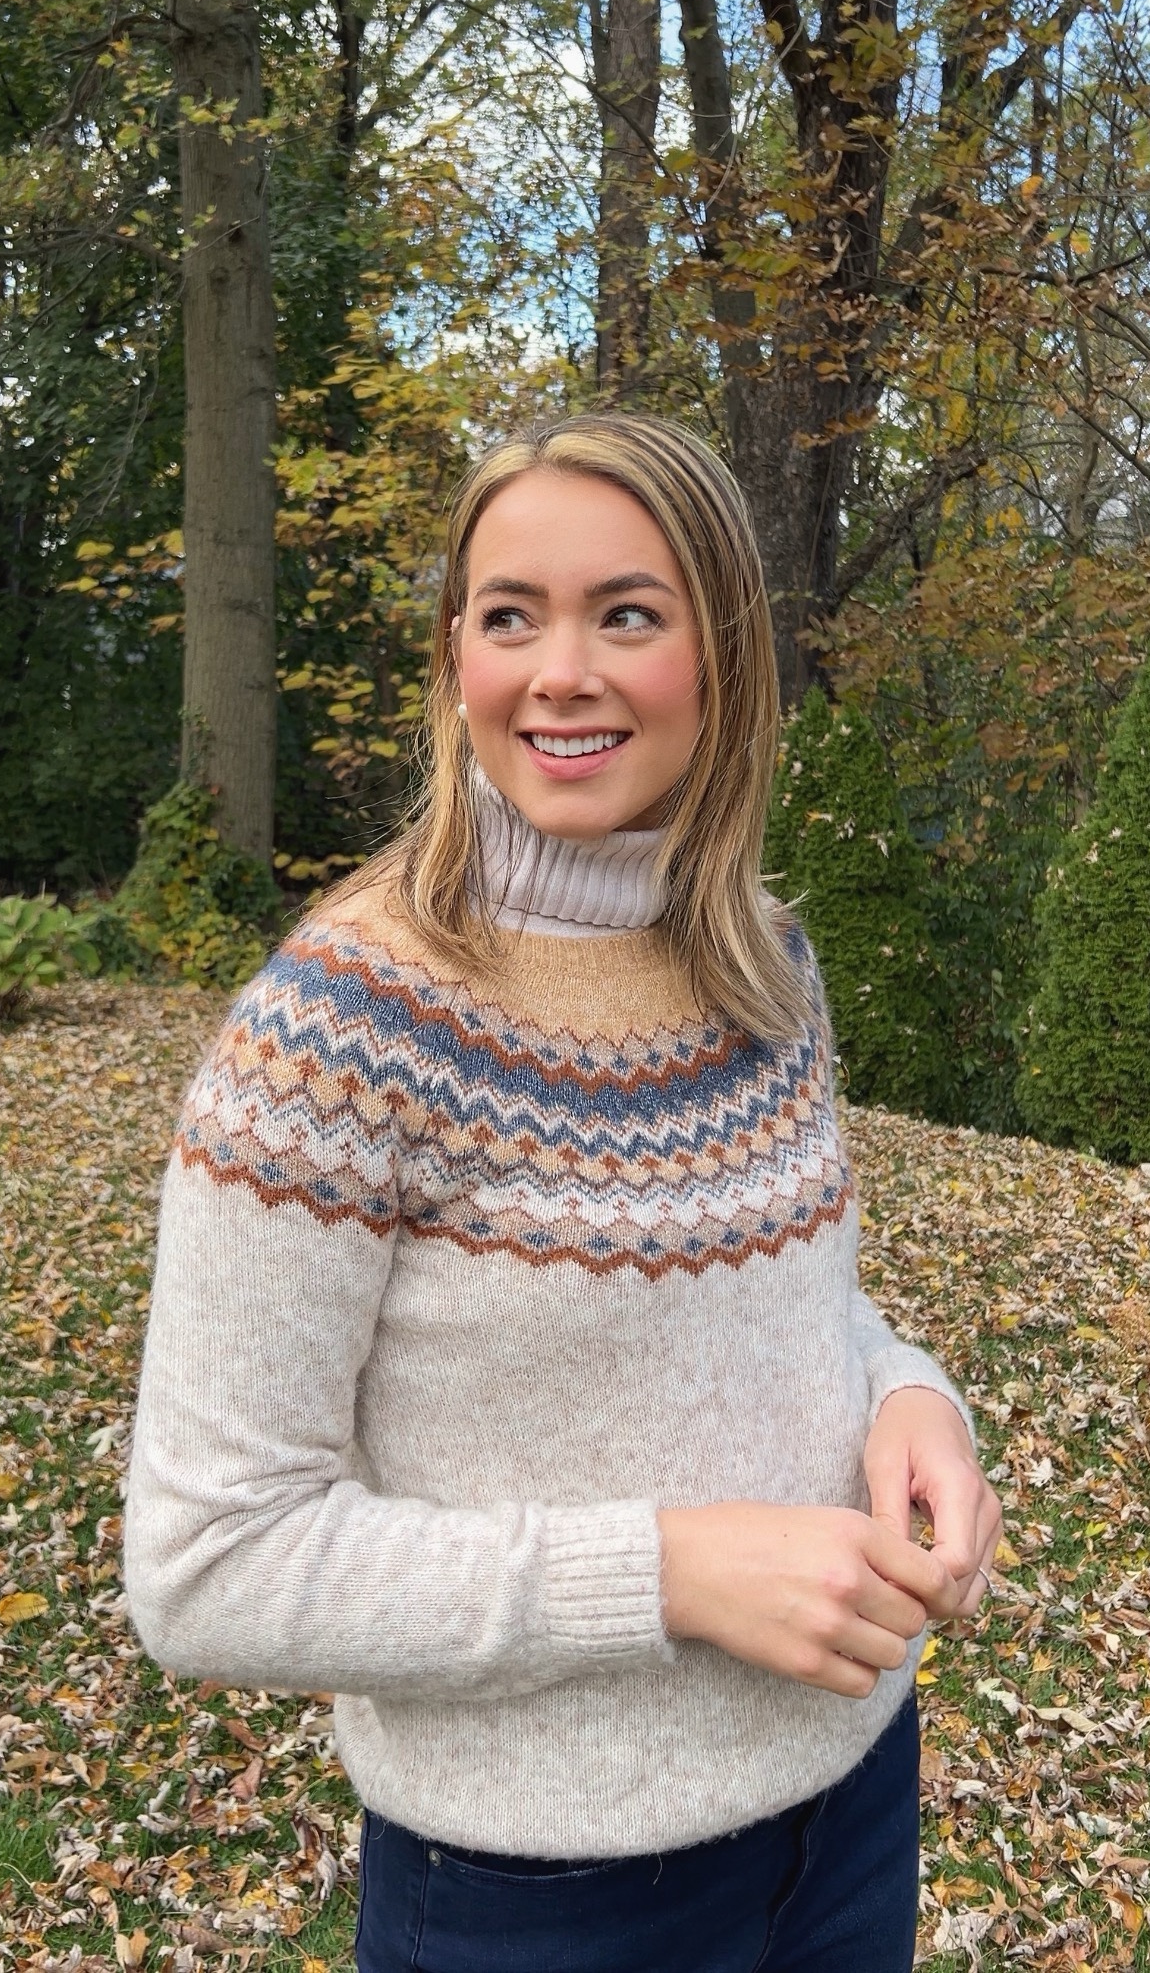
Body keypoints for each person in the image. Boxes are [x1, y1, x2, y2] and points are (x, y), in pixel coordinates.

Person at [124, 414, 1001, 1973]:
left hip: (851, 1804)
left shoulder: (764, 963)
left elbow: (798, 1301)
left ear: (726, 654)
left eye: (629, 614)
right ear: (455, 654)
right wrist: (669, 1575)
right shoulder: (341, 1035)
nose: (561, 673)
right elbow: (209, 1566)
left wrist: (907, 1393)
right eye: (510, 616)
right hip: (541, 1898)